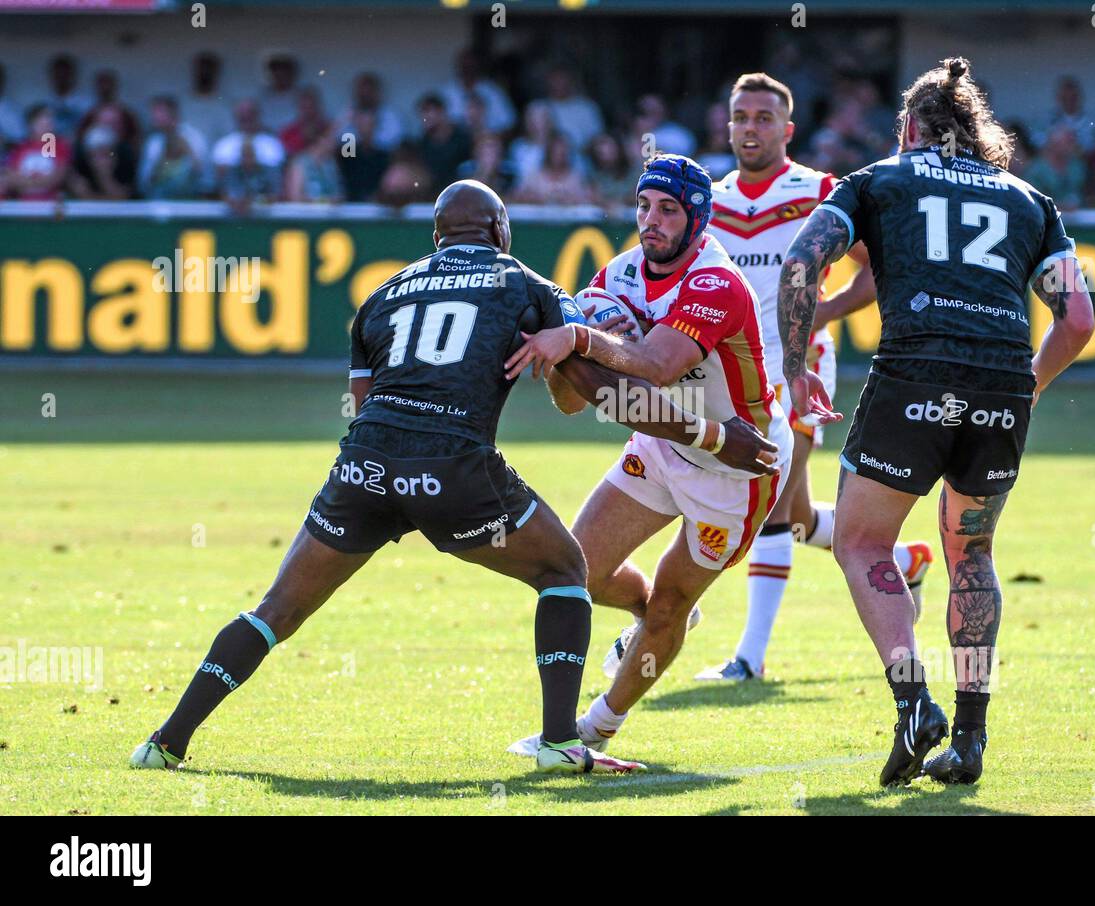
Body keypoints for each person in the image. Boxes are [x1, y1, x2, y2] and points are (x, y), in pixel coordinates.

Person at [129, 179, 777, 777]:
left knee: (276, 610)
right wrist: (697, 426)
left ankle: (165, 742)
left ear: (436, 236)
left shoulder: (382, 295)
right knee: (563, 573)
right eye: (647, 206)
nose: (652, 220)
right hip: (455, 472)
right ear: (500, 230)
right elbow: (591, 395)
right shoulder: (526, 287)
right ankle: (561, 740)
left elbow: (362, 401)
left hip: (363, 469)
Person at [778, 58, 1095, 786]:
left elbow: (800, 266)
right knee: (972, 553)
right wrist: (1032, 383)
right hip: (1000, 386)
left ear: (911, 128)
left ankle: (914, 702)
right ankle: (972, 738)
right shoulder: (1031, 201)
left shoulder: (876, 182)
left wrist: (797, 369)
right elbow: (1077, 319)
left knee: (861, 543)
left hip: (914, 375)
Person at [502, 154, 794, 760]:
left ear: (698, 218)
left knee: (670, 601)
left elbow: (660, 364)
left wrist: (578, 337)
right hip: (666, 442)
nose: (651, 221)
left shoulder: (716, 282)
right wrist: (566, 362)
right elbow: (571, 405)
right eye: (643, 206)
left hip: (737, 469)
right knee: (577, 572)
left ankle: (594, 729)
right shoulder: (620, 275)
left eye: (668, 210)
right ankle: (653, 625)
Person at [676, 72, 932, 685]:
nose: (750, 128)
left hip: (800, 370)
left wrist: (821, 312)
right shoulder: (709, 203)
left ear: (786, 129)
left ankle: (750, 658)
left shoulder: (821, 191)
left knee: (766, 509)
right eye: (741, 117)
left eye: (763, 118)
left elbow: (875, 273)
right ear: (727, 124)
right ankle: (902, 558)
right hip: (735, 378)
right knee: (788, 513)